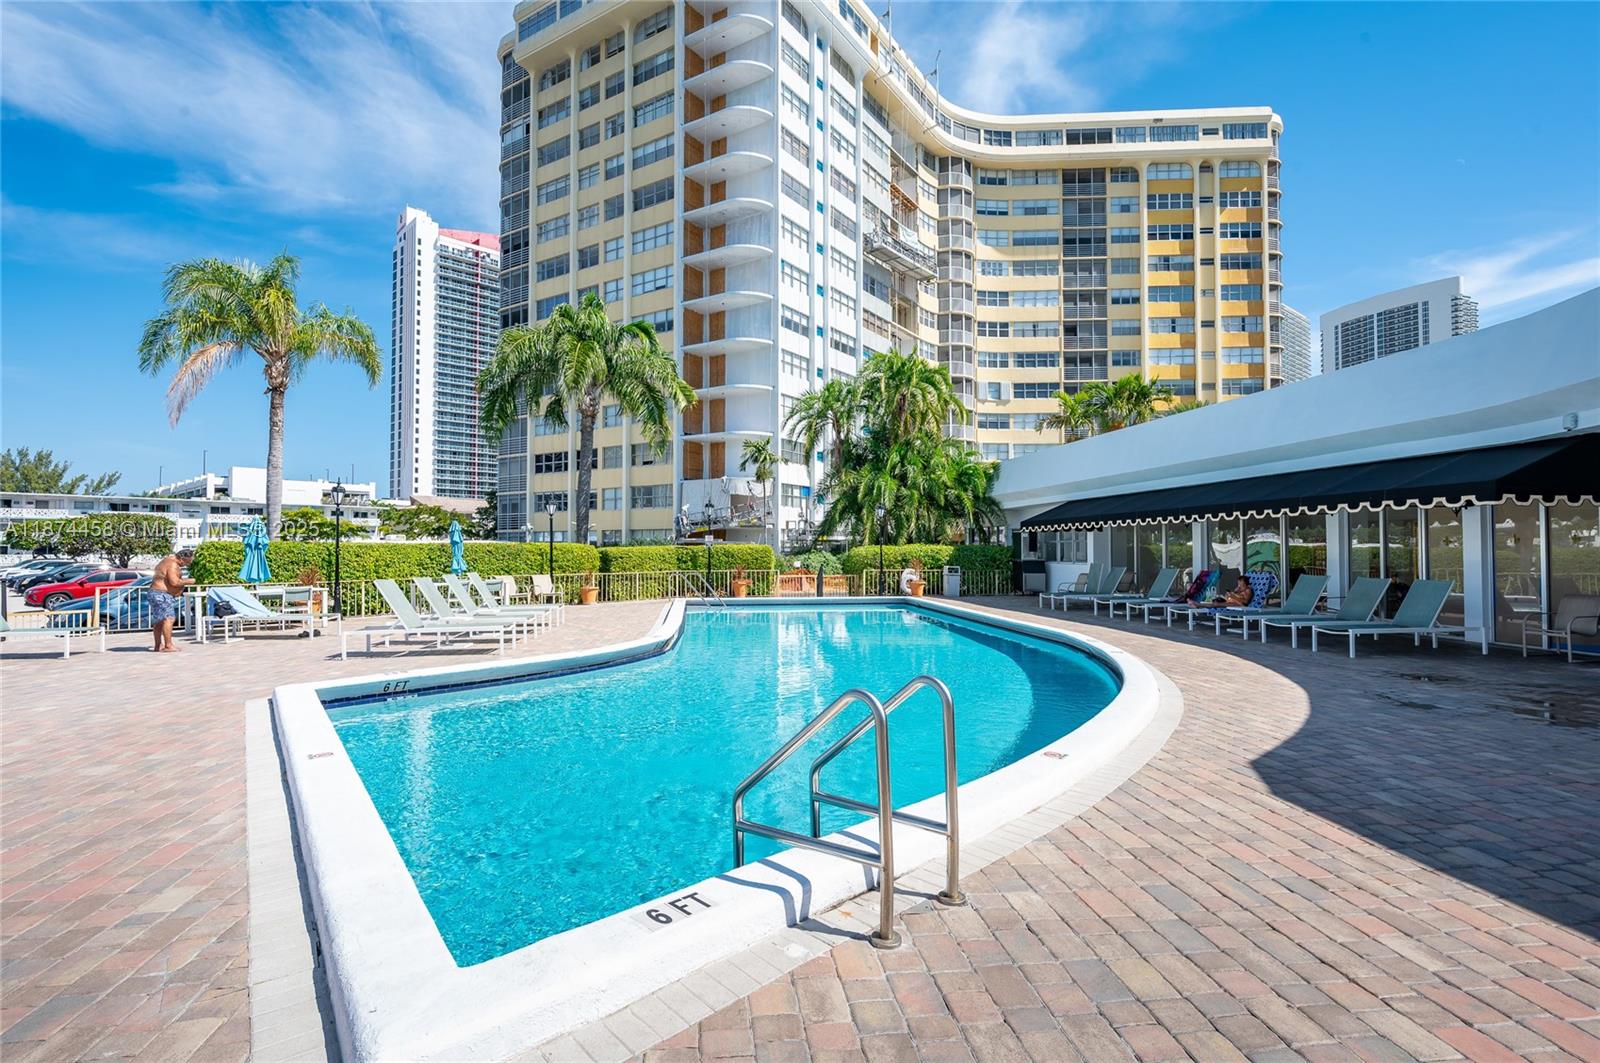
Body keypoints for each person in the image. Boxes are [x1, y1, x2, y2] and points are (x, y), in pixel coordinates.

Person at [150, 547, 195, 652]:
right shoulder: (173, 564)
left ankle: (158, 646)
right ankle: (168, 646)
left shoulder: (167, 560)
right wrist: (190, 581)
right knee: (169, 619)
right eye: (187, 562)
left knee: (160, 621)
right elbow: (174, 582)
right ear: (181, 558)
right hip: (161, 594)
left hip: (155, 593)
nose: (186, 565)